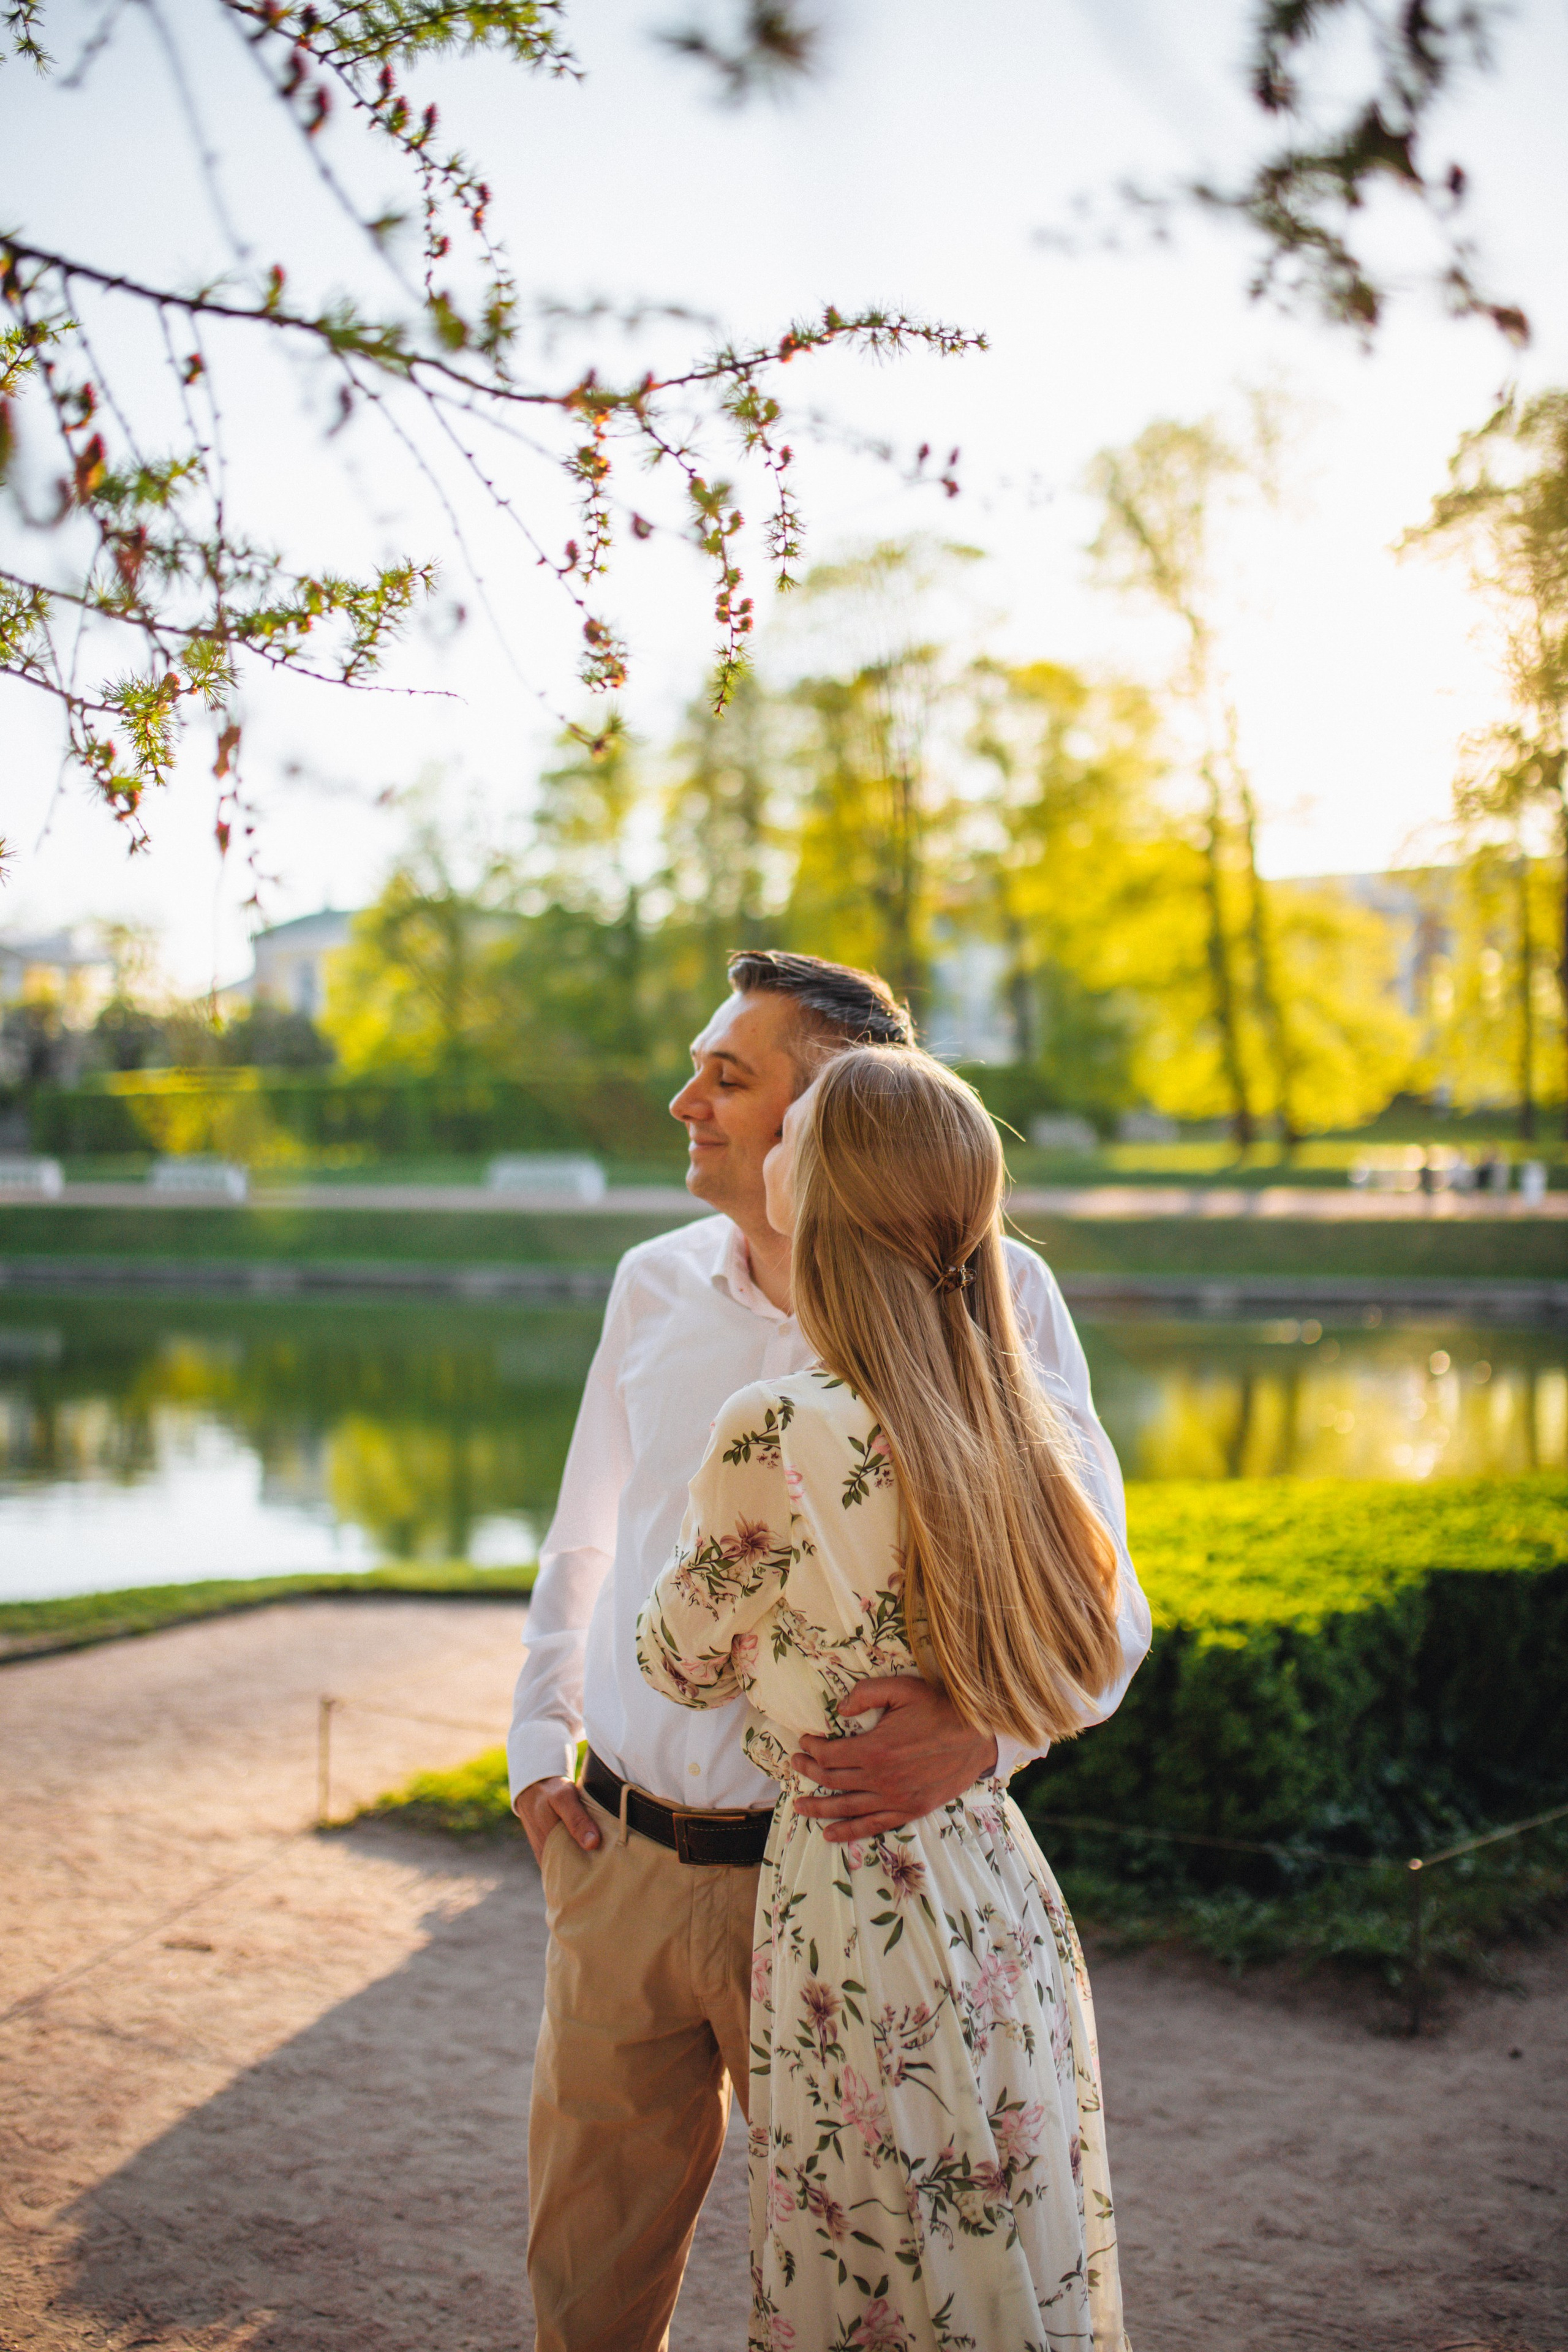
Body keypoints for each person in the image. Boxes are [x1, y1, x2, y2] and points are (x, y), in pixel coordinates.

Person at [509, 950, 1148, 2352]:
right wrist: (533, 1749)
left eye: (728, 1078)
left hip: (829, 1879)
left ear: (832, 1112)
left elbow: (1101, 1601)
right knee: (590, 2286)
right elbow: (586, 1535)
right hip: (618, 1862)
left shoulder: (993, 1295)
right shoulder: (650, 1283)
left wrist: (991, 1737)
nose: (685, 1101)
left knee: (860, 2273)